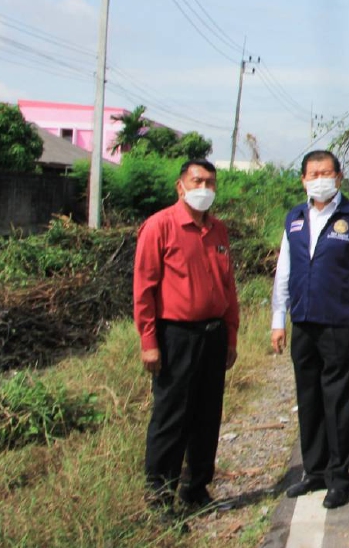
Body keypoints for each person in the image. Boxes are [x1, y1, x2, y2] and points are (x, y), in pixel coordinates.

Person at [271, 150, 349, 509]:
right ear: (303, 179)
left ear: (338, 176)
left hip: (339, 324)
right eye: (312, 173)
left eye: (326, 172)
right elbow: (283, 274)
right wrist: (278, 321)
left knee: (336, 400)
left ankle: (339, 476)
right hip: (303, 321)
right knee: (308, 398)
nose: (318, 178)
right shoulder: (295, 218)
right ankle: (313, 471)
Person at [134, 159, 239, 514]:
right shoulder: (159, 226)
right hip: (175, 336)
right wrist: (149, 342)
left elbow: (228, 287)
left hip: (213, 335)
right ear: (181, 186)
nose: (204, 189)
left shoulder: (219, 231)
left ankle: (196, 488)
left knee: (207, 415)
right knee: (171, 416)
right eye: (198, 181)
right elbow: (144, 290)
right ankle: (160, 495)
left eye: (211, 183)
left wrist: (232, 336)